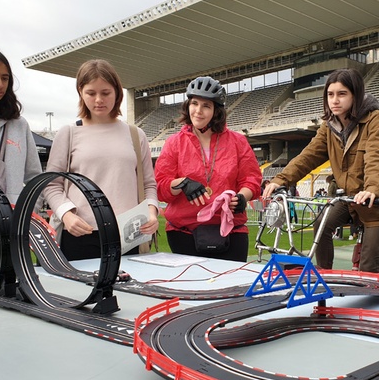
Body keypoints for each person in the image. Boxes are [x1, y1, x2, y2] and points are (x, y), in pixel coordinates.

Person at [263, 68, 379, 272]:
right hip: (348, 197)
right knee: (321, 225)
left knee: (369, 266)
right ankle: (324, 273)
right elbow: (308, 156)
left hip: (373, 200)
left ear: (356, 95)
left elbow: (374, 157)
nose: (335, 100)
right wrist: (281, 180)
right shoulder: (329, 126)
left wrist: (372, 189)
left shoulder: (373, 120)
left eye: (342, 94)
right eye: (330, 94)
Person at [44, 59, 159, 261]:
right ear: (81, 92)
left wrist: (151, 212)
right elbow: (52, 185)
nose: (99, 99)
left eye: (105, 93)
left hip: (128, 234)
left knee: (126, 292)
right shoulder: (69, 133)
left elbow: (149, 183)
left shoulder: (135, 134)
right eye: (91, 93)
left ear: (117, 92)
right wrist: (66, 215)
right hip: (80, 233)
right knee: (78, 293)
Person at [155, 76, 262, 262]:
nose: (198, 111)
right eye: (194, 103)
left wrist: (242, 197)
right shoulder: (174, 143)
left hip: (231, 230)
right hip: (184, 232)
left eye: (206, 105)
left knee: (232, 287)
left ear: (216, 111)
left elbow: (251, 180)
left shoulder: (238, 142)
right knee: (190, 288)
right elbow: (161, 188)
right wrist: (182, 183)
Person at [0, 46, 42, 269]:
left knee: (13, 290)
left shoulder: (19, 124)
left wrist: (32, 212)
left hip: (14, 226)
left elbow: (34, 174)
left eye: (5, 78)